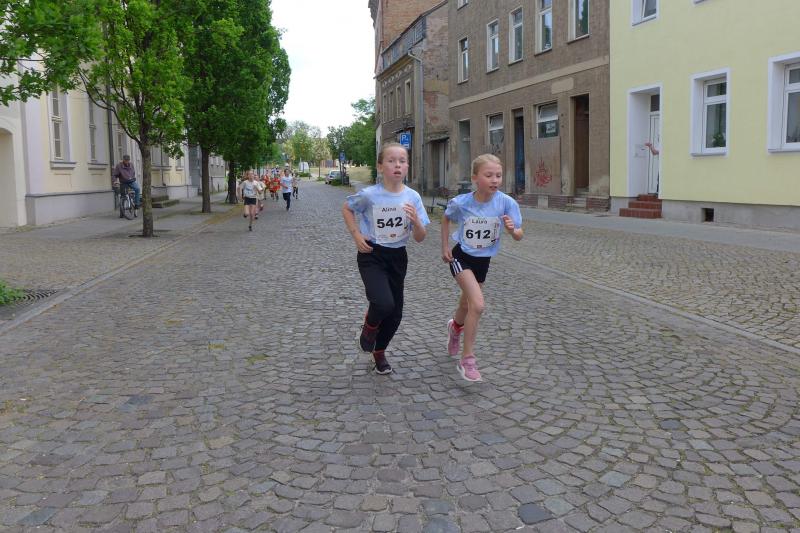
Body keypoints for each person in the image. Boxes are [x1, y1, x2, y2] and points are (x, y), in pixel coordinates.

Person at [342, 142, 430, 374]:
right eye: (391, 161)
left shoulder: (413, 197)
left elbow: (420, 237)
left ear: (408, 166)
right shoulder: (370, 195)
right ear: (380, 167)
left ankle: (379, 351)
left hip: (397, 257)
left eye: (402, 161)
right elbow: (347, 208)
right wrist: (356, 235)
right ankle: (370, 326)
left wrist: (416, 222)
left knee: (395, 314)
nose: (397, 165)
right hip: (371, 254)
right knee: (383, 303)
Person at [441, 154, 523, 382]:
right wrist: (445, 246)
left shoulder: (506, 203)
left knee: (465, 305)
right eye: (489, 175)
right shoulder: (462, 203)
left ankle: (455, 328)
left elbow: (519, 234)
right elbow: (446, 218)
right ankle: (467, 360)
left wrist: (512, 230)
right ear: (475, 178)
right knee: (477, 305)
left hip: (483, 261)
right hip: (461, 257)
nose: (495, 180)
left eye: (498, 175)